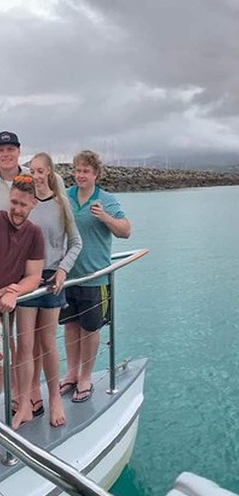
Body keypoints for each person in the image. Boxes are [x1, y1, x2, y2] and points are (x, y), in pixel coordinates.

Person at [12, 153, 82, 428]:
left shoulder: (61, 204)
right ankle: (27, 401)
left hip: (53, 278)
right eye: (33, 170)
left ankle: (54, 398)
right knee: (25, 345)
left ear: (50, 172)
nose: (37, 175)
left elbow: (76, 242)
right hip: (27, 278)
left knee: (48, 343)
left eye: (42, 171)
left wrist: (64, 269)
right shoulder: (26, 204)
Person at [58, 150, 130, 403]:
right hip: (67, 277)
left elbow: (126, 231)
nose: (80, 175)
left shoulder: (106, 200)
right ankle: (71, 374)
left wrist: (105, 217)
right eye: (77, 170)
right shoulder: (65, 196)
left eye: (86, 171)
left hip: (95, 277)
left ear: (96, 174)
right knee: (70, 327)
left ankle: (86, 377)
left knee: (90, 329)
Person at [0, 176, 45, 416]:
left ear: (33, 204)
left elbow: (34, 276)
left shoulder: (35, 234)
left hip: (9, 301)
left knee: (17, 348)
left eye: (23, 205)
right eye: (14, 202)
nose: (17, 210)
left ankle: (21, 401)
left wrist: (13, 291)